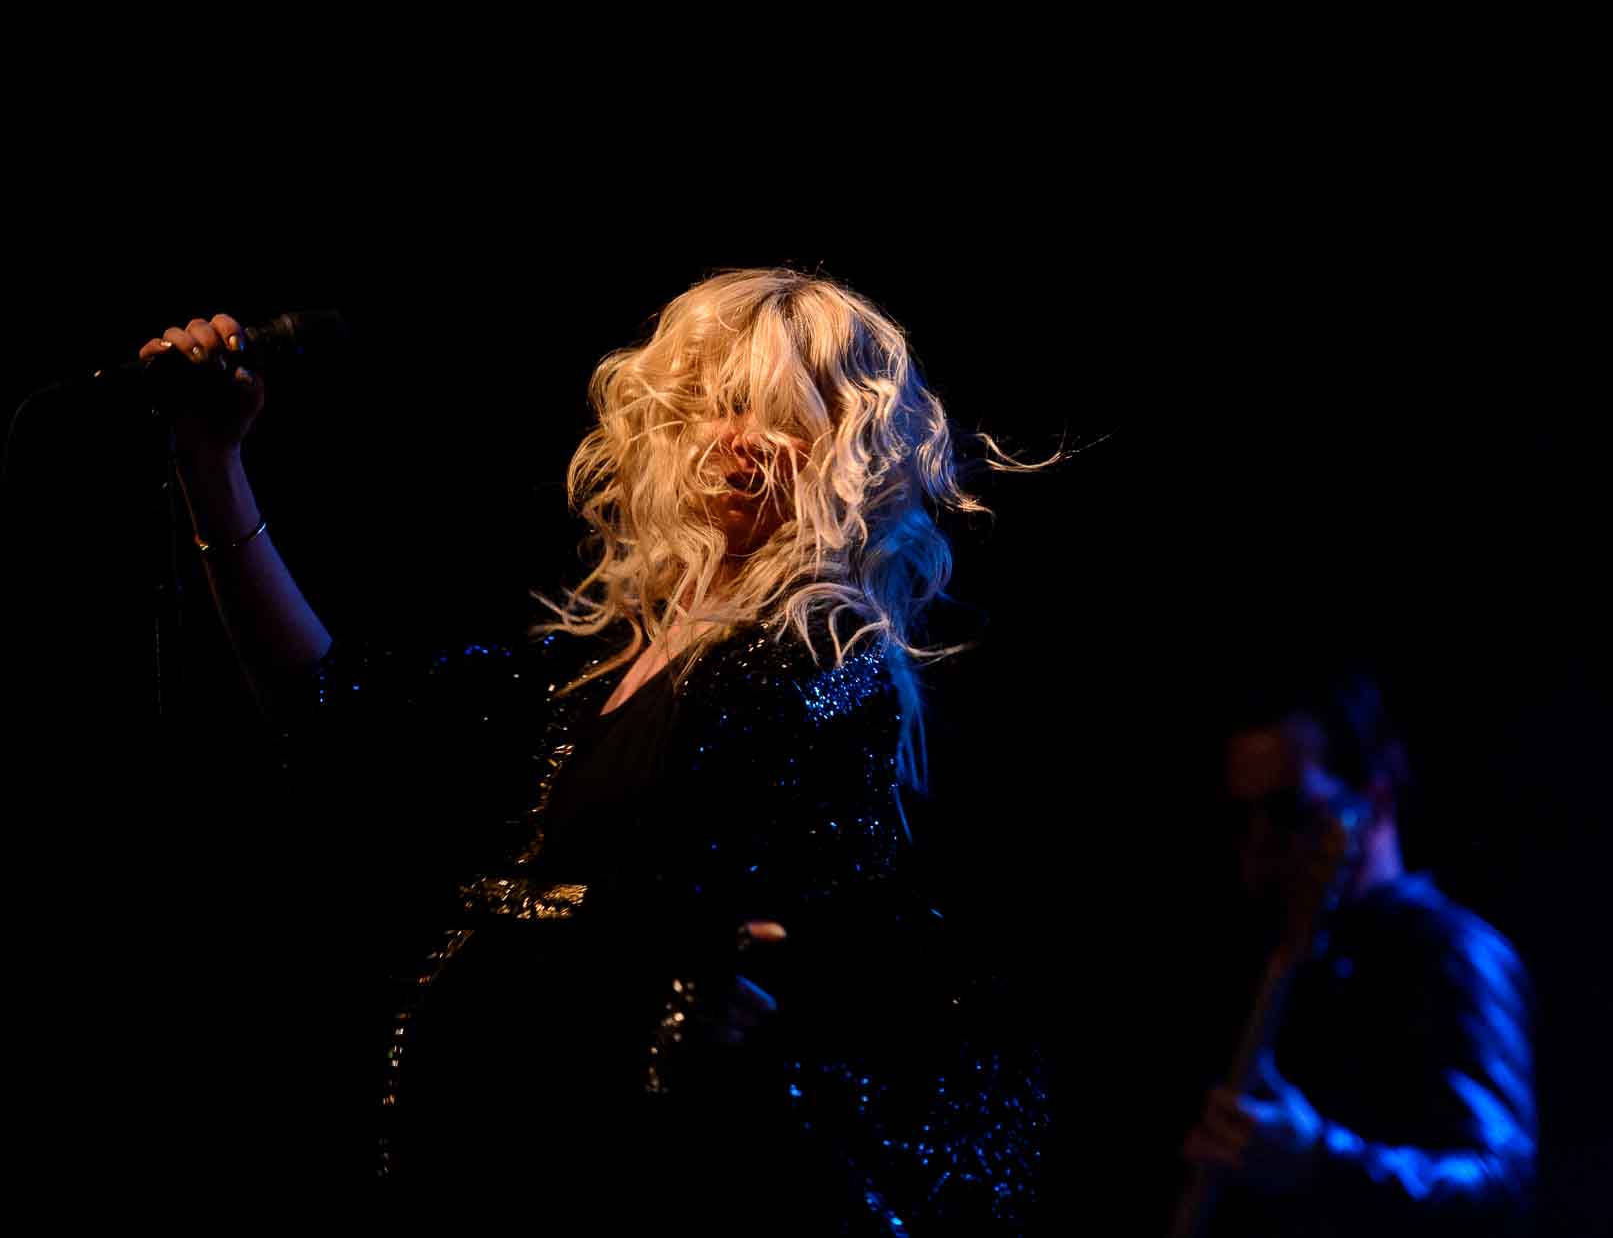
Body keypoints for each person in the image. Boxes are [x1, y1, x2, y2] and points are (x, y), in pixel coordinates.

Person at [149, 268, 1047, 1226]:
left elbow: (836, 937)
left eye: (785, 416)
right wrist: (214, 465)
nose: (740, 442)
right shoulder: (592, 672)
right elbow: (334, 712)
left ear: (852, 452)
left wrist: (731, 992)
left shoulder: (826, 670)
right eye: (718, 405)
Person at [1176, 675, 1536, 1236]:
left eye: (1288, 811)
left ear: (1374, 798)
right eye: (1242, 821)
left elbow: (1500, 1184)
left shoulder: (1451, 952)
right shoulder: (1274, 955)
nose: (1258, 851)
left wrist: (1322, 1162)